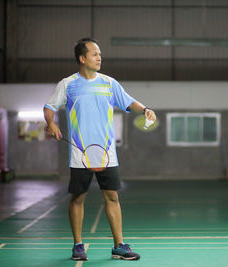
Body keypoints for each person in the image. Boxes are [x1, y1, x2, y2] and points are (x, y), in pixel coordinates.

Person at [43, 38, 156, 261]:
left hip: (107, 153)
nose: (99, 57)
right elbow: (49, 107)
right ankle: (77, 245)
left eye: (100, 54)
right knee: (78, 198)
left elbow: (129, 101)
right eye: (95, 54)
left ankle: (119, 246)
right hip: (80, 154)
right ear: (82, 58)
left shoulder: (109, 83)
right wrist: (52, 123)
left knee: (112, 197)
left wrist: (145, 109)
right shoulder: (68, 84)